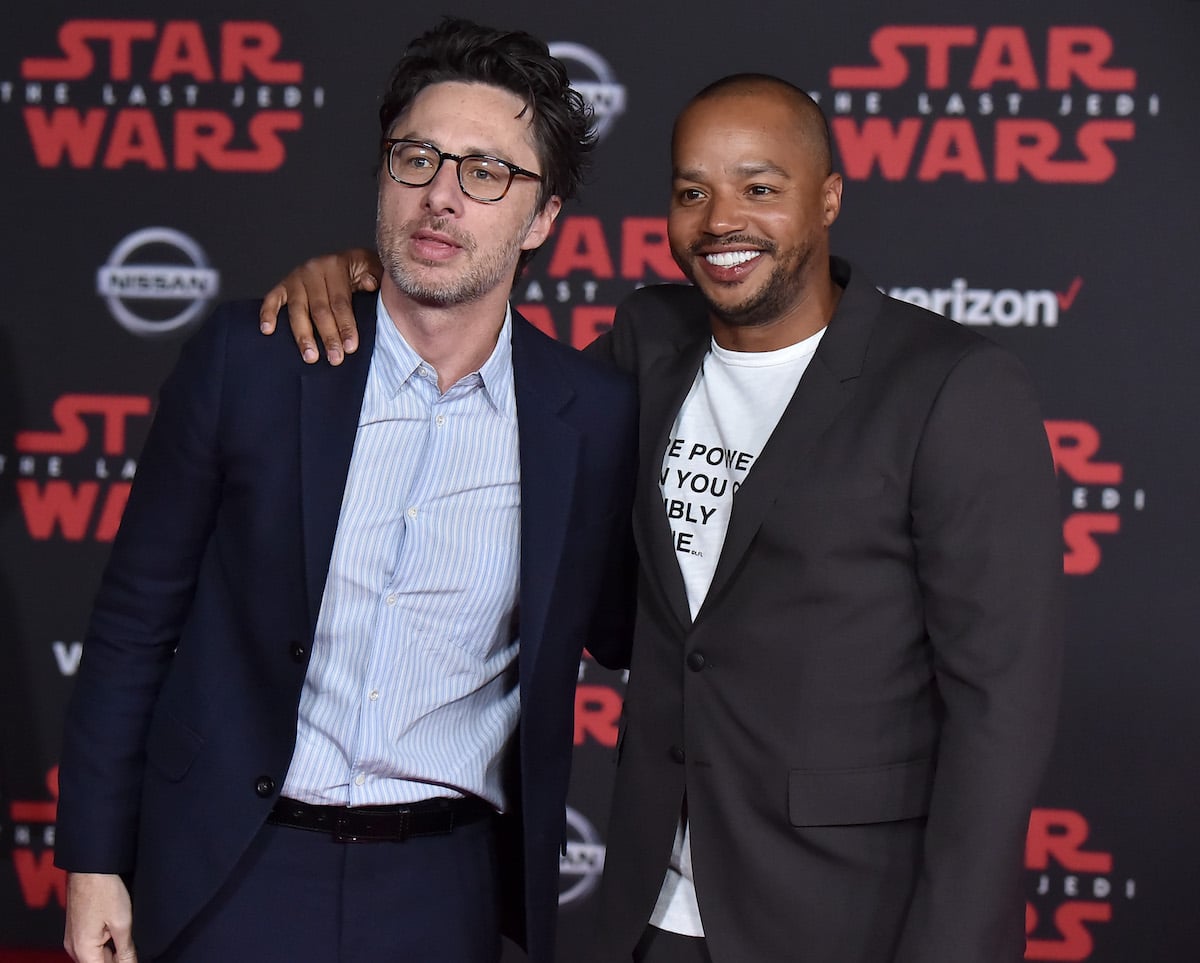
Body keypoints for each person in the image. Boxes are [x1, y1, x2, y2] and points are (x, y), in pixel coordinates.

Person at [262, 74, 1063, 963]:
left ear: (829, 196)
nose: (722, 220)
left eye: (760, 187)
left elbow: (1001, 707)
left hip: (845, 914)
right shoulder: (648, 343)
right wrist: (365, 277)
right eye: (692, 192)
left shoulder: (951, 387)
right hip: (651, 913)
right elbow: (492, 371)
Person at [54, 18, 637, 963]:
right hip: (227, 864)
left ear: (541, 218)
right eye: (418, 158)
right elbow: (132, 623)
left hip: (440, 887)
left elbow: (627, 627)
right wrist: (92, 860)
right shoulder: (253, 360)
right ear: (383, 174)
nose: (441, 195)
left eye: (487, 172)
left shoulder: (592, 419)